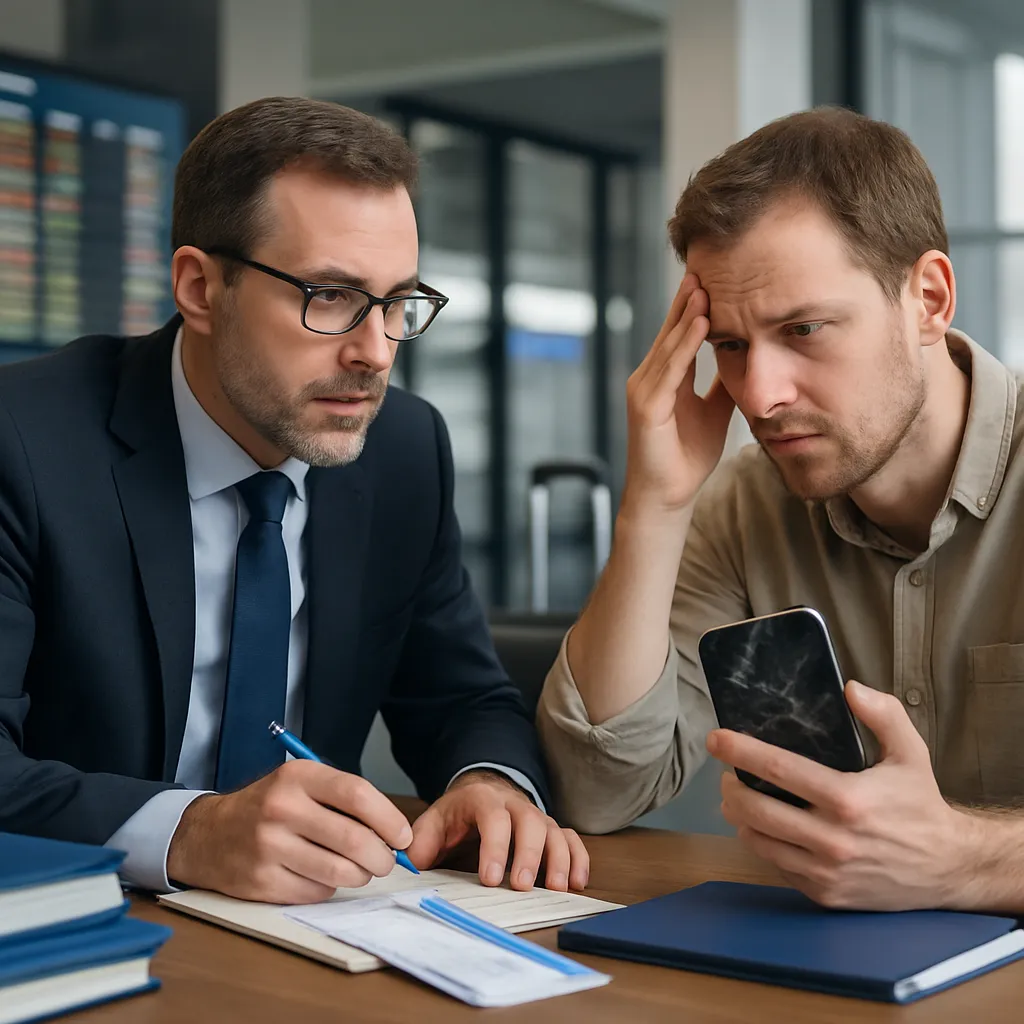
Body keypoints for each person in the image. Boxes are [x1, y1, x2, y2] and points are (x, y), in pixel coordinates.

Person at [0, 96, 589, 904]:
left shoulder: (405, 449)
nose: (375, 353)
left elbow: (461, 697)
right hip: (77, 922)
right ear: (200, 288)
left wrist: (488, 781)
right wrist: (191, 832)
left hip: (313, 924)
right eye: (331, 296)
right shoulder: (23, 440)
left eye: (397, 303)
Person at [537, 106, 1024, 914]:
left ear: (929, 299)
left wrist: (964, 861)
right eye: (730, 345)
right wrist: (654, 506)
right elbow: (599, 792)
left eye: (803, 329)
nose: (758, 396)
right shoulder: (742, 506)